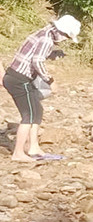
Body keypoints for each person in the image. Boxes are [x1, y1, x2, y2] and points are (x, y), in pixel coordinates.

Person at [3, 15, 81, 162]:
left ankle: (33, 147)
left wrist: (52, 54)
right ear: (61, 31)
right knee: (29, 115)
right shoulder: (47, 39)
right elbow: (37, 61)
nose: (65, 40)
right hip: (19, 80)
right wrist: (50, 81)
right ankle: (18, 153)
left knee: (37, 110)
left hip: (16, 77)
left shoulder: (44, 32)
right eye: (66, 36)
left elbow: (34, 53)